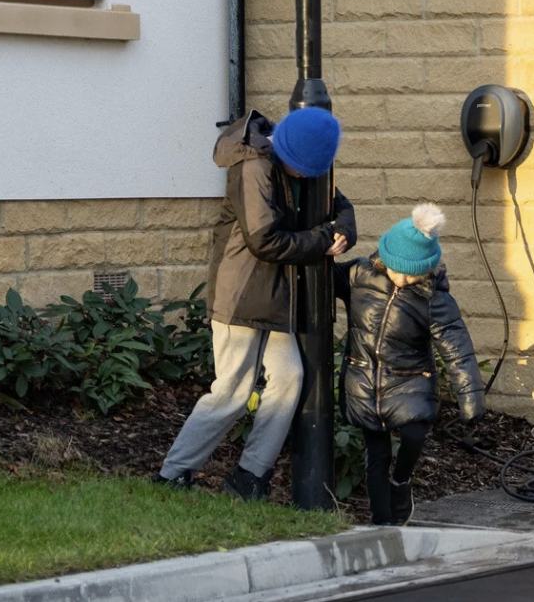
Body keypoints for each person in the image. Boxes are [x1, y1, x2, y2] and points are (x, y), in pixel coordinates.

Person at [152, 107, 356, 500]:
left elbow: (340, 206)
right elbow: (264, 240)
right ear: (286, 152)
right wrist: (321, 240)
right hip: (242, 293)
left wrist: (342, 231)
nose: (306, 178)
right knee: (233, 390)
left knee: (289, 377)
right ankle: (173, 475)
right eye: (301, 170)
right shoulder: (253, 167)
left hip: (278, 297)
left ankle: (250, 476)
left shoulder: (308, 166)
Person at [335, 203, 484, 526]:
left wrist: (470, 399)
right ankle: (382, 523)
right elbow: (324, 276)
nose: (402, 280)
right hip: (365, 383)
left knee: (414, 435)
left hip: (410, 382)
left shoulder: (434, 299)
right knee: (376, 455)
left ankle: (401, 482)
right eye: (397, 270)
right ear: (384, 259)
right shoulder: (360, 275)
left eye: (411, 274)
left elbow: (457, 349)